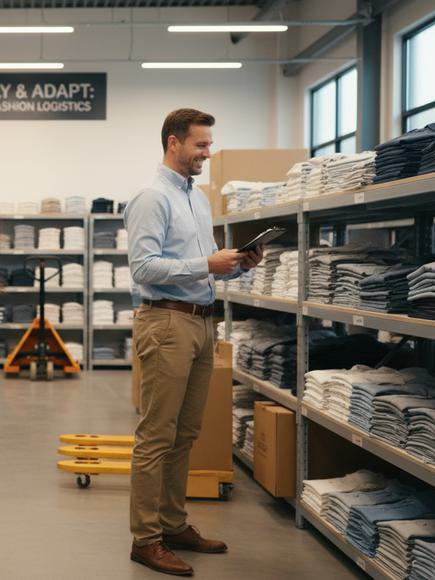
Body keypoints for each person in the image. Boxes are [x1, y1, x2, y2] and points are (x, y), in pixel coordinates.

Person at [124, 108, 263, 576]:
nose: (208, 152)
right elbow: (144, 269)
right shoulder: (151, 197)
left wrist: (240, 262)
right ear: (173, 143)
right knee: (156, 436)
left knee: (185, 433)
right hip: (166, 323)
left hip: (203, 323)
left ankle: (173, 523)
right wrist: (208, 264)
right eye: (200, 145)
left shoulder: (198, 199)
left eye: (209, 144)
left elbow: (207, 261)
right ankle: (145, 540)